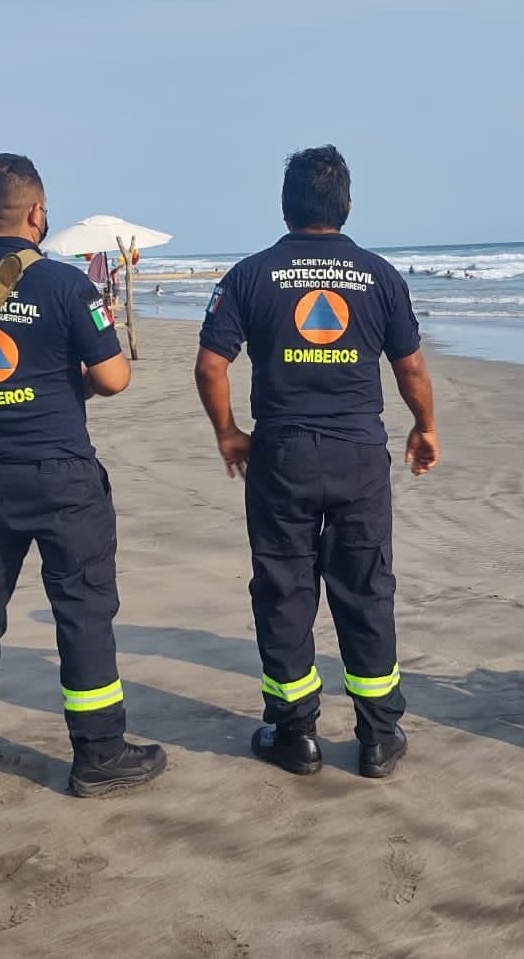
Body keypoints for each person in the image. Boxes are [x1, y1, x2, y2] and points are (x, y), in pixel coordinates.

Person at [0, 152, 166, 796]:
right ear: (37, 213)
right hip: (61, 474)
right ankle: (98, 754)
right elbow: (114, 378)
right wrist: (59, 381)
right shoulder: (66, 285)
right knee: (81, 607)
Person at [195, 145, 439, 781]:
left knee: (284, 590)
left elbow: (210, 364)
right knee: (366, 590)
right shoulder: (380, 275)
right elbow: (409, 366)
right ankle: (379, 735)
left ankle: (295, 734)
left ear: (284, 207)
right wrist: (425, 426)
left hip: (283, 455)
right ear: (348, 206)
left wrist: (229, 434)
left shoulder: (250, 276)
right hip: (359, 455)